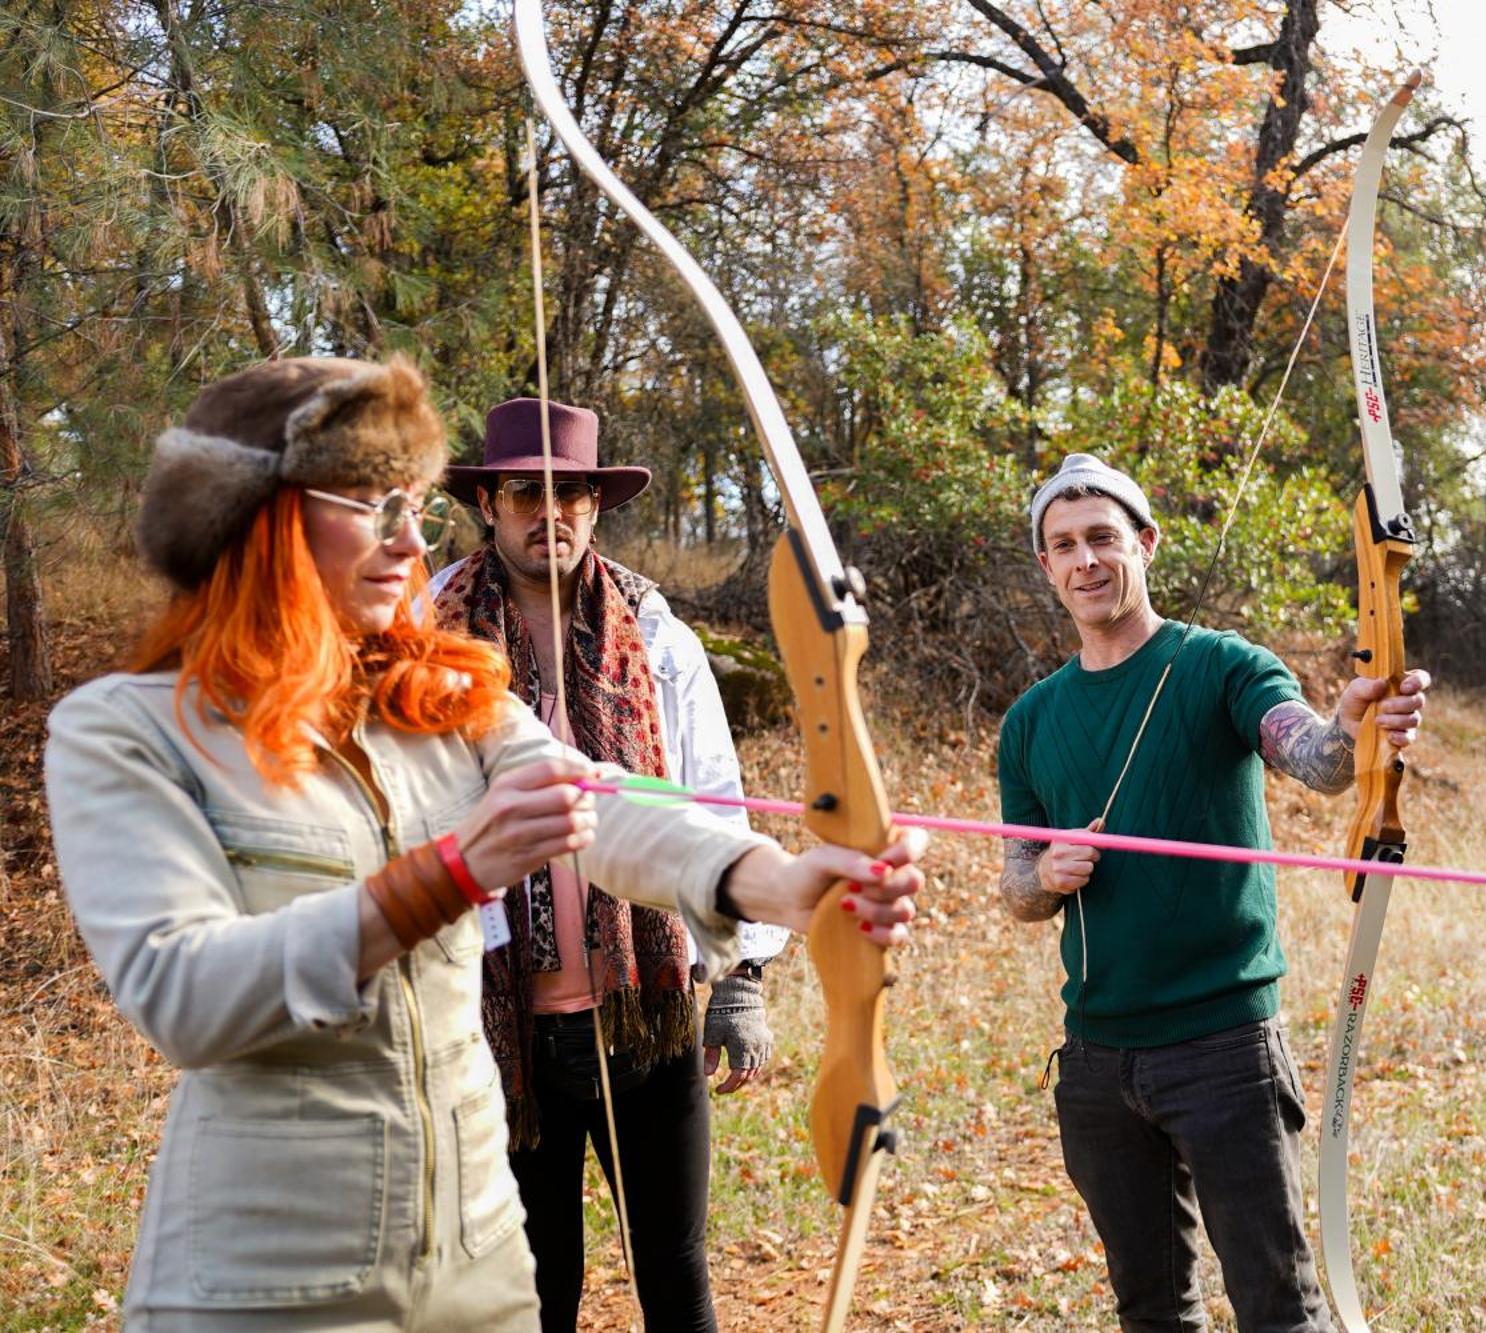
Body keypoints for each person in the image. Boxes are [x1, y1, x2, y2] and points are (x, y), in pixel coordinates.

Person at [42, 356, 923, 1331]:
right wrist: (450, 871)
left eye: (414, 508)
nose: (410, 542)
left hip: (477, 1265)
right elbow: (183, 995)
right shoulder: (123, 730)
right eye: (375, 506)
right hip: (270, 1277)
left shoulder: (442, 695)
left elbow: (597, 799)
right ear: (264, 520)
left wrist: (777, 883)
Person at [995, 453, 1430, 1332]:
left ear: (1145, 543)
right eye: (1065, 545)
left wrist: (1352, 725)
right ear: (1046, 565)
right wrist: (1043, 875)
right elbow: (1015, 884)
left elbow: (1315, 758)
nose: (1086, 561)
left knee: (1278, 1303)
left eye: (1103, 539)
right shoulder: (1029, 721)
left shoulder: (1221, 667)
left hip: (1222, 1047)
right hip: (1096, 1058)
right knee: (1151, 1310)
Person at [429, 397, 783, 1332]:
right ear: (489, 504)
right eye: (523, 492)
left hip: (645, 1016)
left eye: (573, 492)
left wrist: (743, 971)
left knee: (674, 1274)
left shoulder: (657, 637)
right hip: (493, 1026)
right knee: (533, 1289)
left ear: (596, 503)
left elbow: (713, 801)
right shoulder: (431, 636)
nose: (551, 513)